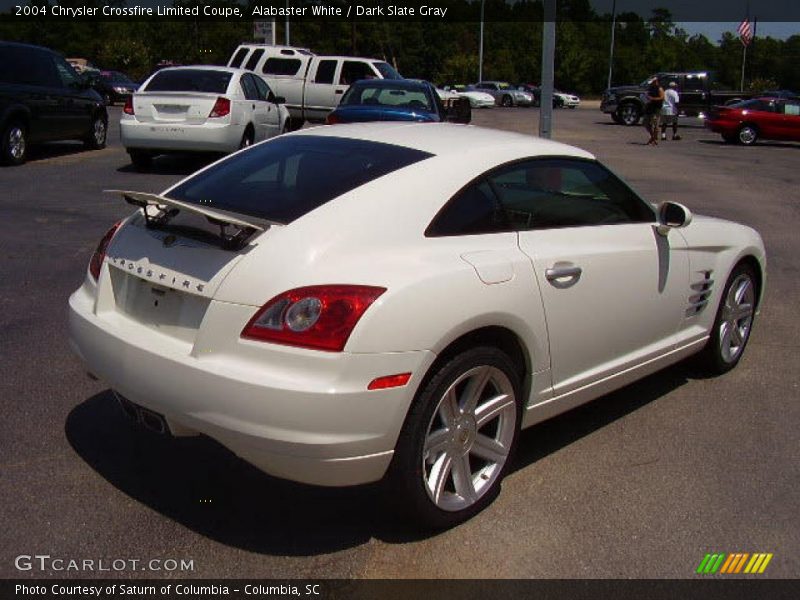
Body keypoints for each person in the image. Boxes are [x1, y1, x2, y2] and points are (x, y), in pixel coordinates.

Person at [644, 77, 665, 145]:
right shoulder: (650, 88)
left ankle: (653, 139)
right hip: (649, 107)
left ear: (656, 82)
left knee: (655, 124)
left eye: (653, 82)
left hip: (656, 109)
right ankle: (652, 137)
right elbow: (647, 96)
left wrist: (653, 98)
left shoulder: (660, 89)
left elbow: (662, 97)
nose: (651, 84)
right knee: (646, 123)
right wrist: (647, 97)